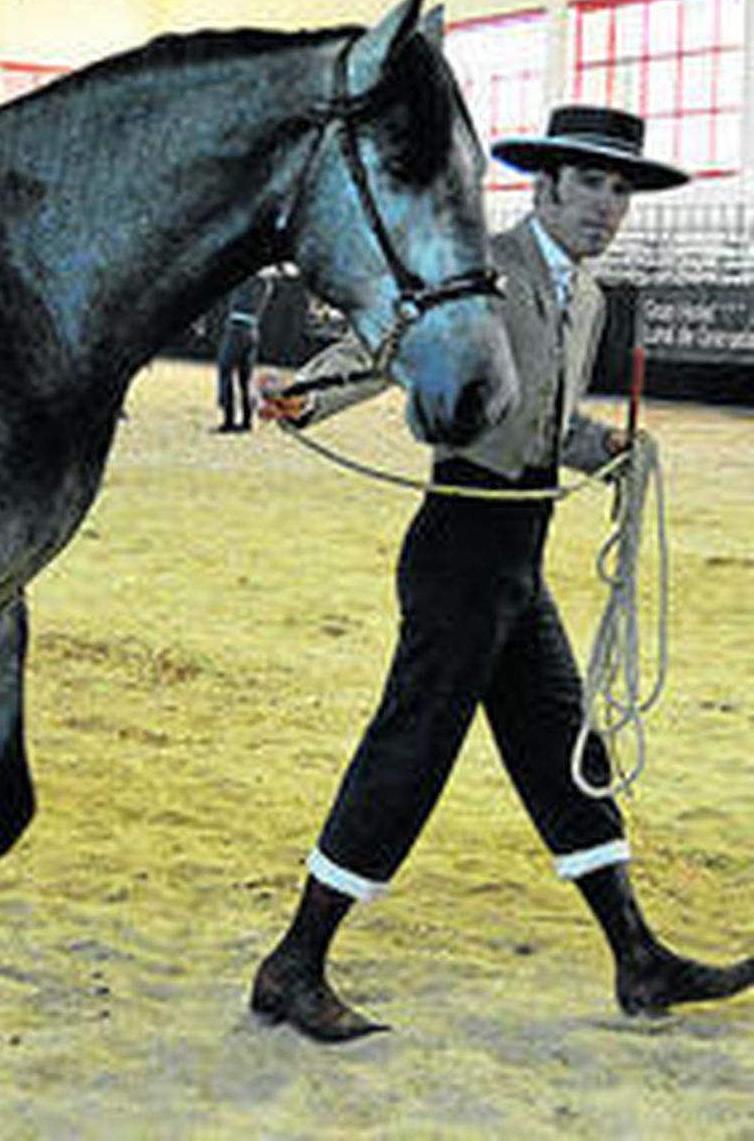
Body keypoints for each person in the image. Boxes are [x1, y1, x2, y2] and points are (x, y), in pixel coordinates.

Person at [249, 105, 754, 1041]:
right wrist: (307, 394)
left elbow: (540, 422)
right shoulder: (484, 266)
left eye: (622, 191)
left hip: (521, 555)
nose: (609, 208)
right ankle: (293, 964)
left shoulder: (591, 297)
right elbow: (388, 345)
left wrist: (600, 441)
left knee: (569, 757)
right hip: (459, 549)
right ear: (546, 184)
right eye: (592, 185)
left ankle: (639, 961)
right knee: (410, 753)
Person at [212, 272, 274, 433]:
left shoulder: (245, 279)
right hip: (252, 331)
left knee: (224, 370)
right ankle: (247, 421)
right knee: (245, 379)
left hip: (236, 329)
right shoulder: (266, 284)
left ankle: (228, 420)